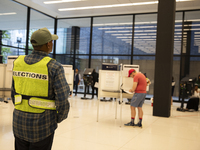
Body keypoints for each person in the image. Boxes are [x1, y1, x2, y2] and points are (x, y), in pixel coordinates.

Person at [11, 27, 70, 150]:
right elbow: (62, 98)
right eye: (52, 41)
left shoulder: (18, 63)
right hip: (43, 125)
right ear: (49, 44)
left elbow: (13, 93)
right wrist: (58, 118)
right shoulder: (54, 66)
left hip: (19, 121)